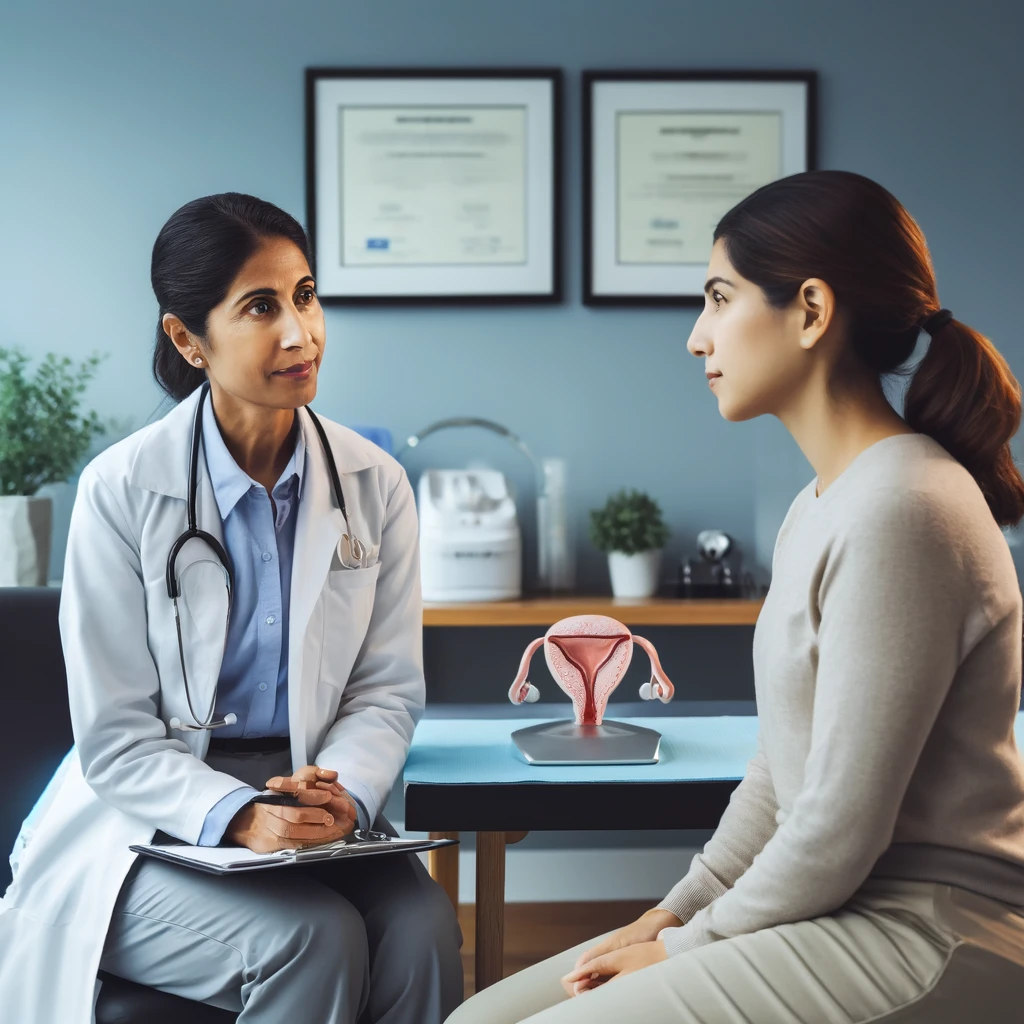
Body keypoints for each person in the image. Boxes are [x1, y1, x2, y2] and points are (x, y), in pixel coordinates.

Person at [447, 170, 1024, 1023]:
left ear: (812, 311)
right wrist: (671, 912)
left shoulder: (907, 505)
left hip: (927, 926)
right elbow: (779, 772)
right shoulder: (823, 502)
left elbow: (837, 828)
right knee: (476, 1020)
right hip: (839, 901)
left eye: (719, 298)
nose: (696, 337)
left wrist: (681, 950)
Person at [0, 193, 462, 1024]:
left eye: (307, 294)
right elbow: (116, 735)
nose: (300, 331)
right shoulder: (120, 490)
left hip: (312, 798)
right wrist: (237, 814)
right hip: (149, 815)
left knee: (423, 924)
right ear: (188, 338)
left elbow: (386, 688)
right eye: (260, 307)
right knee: (311, 938)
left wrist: (346, 795)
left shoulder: (373, 483)